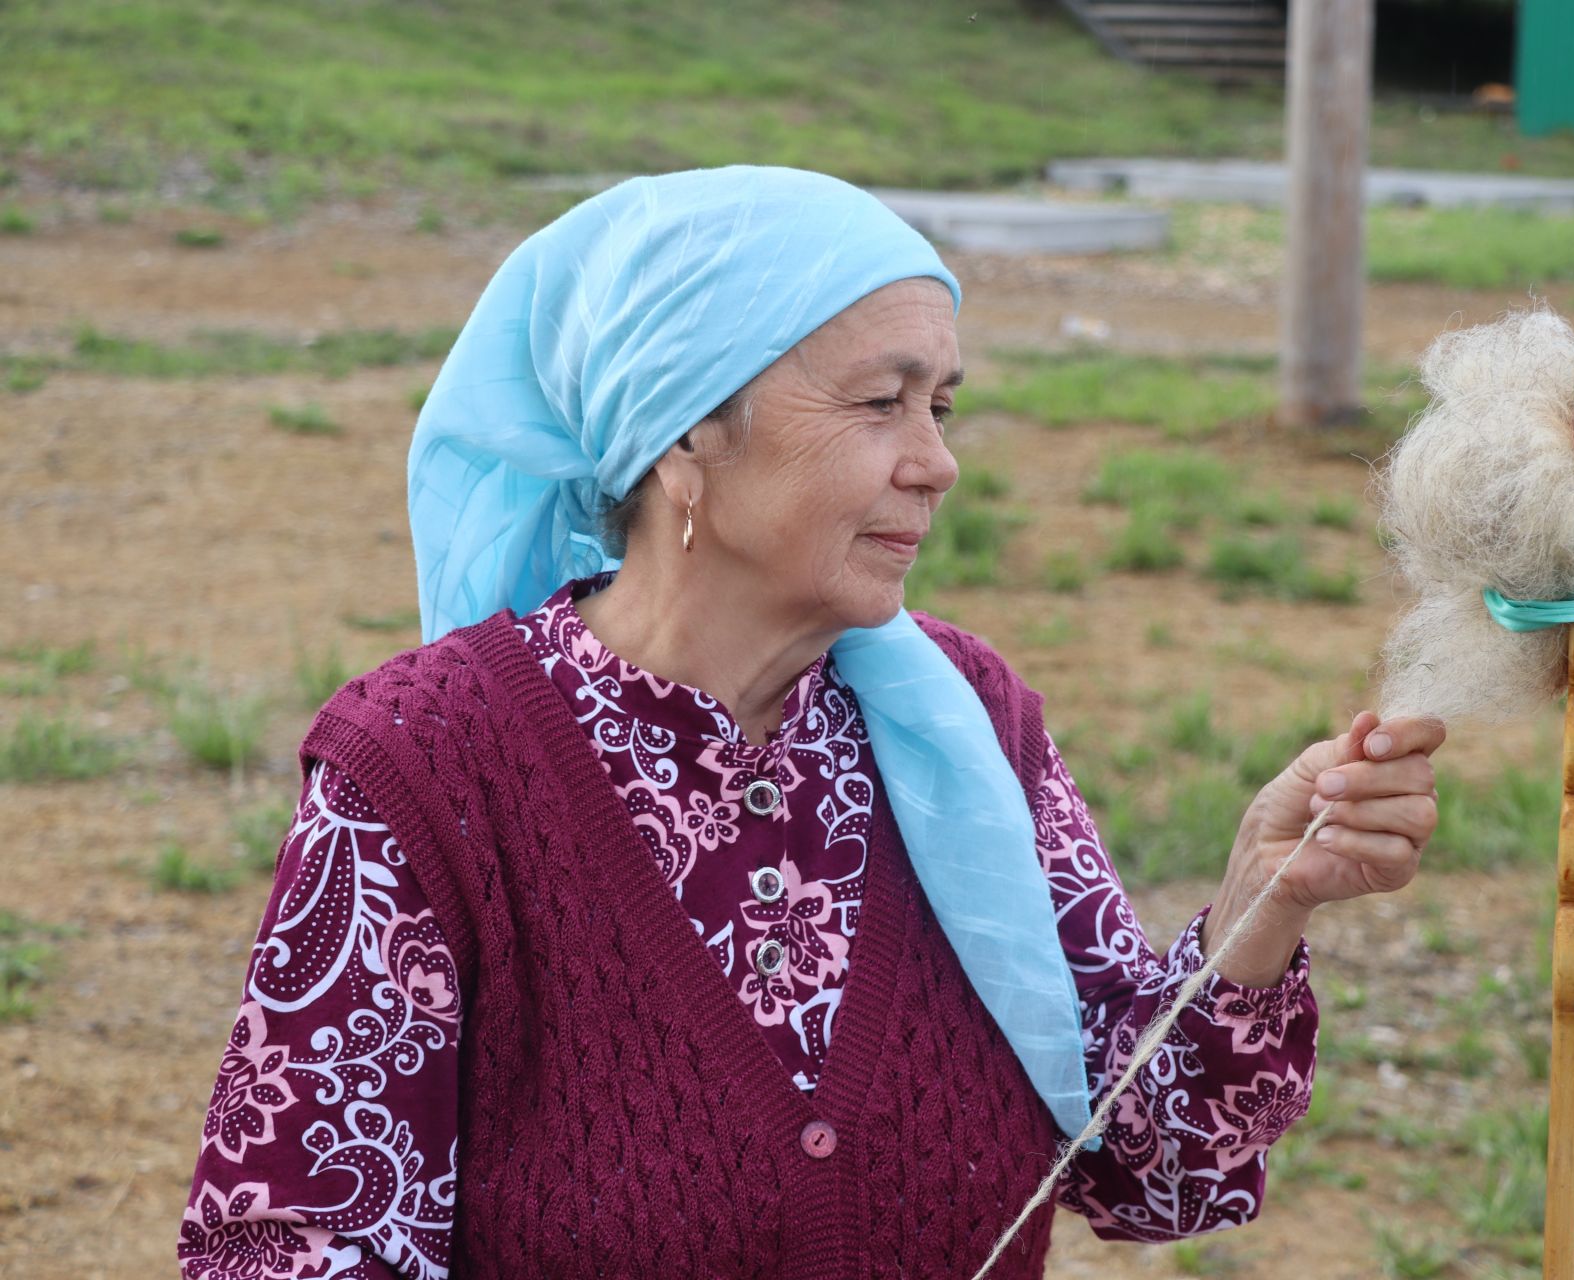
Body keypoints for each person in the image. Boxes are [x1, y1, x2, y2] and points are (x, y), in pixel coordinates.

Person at [177, 167, 1444, 1280]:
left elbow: (1146, 1165)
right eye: (880, 402)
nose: (936, 460)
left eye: (941, 405)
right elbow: (291, 1243)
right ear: (683, 426)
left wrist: (1260, 904)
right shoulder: (428, 766)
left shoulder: (967, 723)